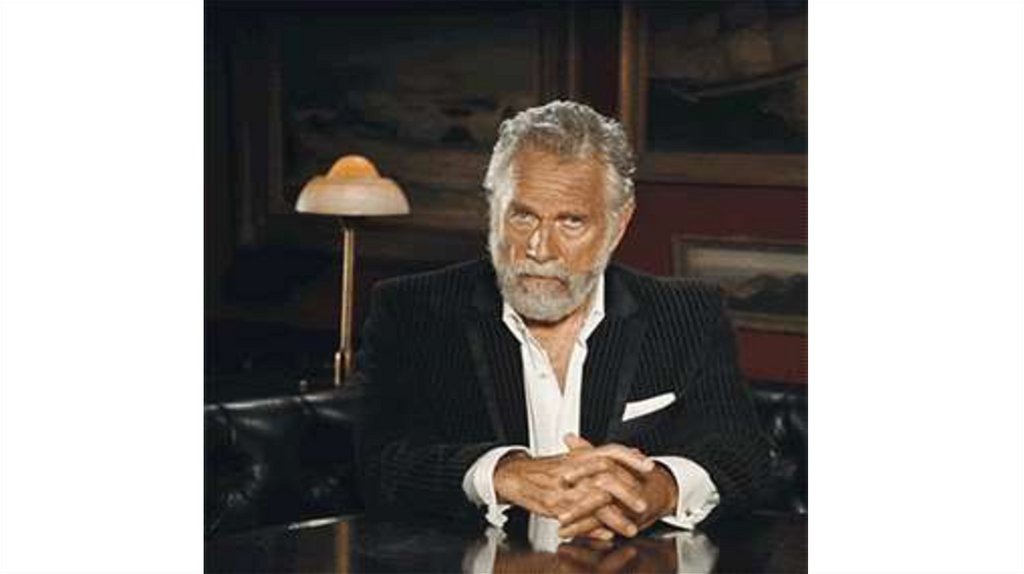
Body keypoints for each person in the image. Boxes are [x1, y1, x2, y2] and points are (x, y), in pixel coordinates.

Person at [353, 100, 770, 540]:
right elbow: (378, 467)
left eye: (571, 222)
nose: (540, 248)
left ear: (618, 225)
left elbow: (743, 455)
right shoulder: (413, 310)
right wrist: (500, 473)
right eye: (522, 216)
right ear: (493, 210)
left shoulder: (687, 313)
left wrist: (663, 488)